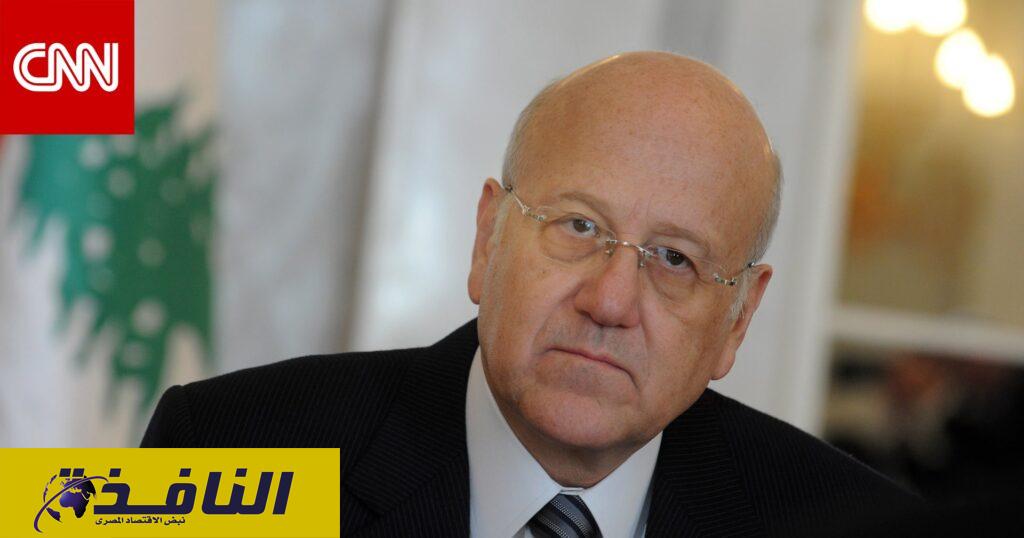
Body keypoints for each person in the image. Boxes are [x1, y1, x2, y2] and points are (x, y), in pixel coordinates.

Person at [142, 51, 918, 536]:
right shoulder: (224, 450)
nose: (610, 302)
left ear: (739, 318)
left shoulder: (853, 526)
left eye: (675, 259)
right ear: (488, 238)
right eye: (579, 226)